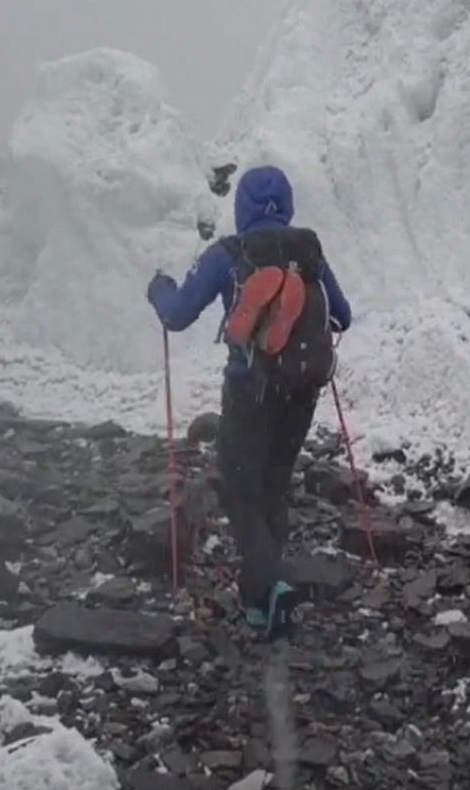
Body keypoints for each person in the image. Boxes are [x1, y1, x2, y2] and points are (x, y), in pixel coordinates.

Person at [147, 165, 352, 640]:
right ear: (288, 204)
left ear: (241, 207)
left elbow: (177, 315)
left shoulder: (229, 253)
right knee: (274, 486)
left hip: (249, 389)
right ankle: (262, 598)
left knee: (240, 492)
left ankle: (270, 588)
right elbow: (342, 315)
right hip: (302, 390)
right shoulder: (308, 251)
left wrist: (159, 290)